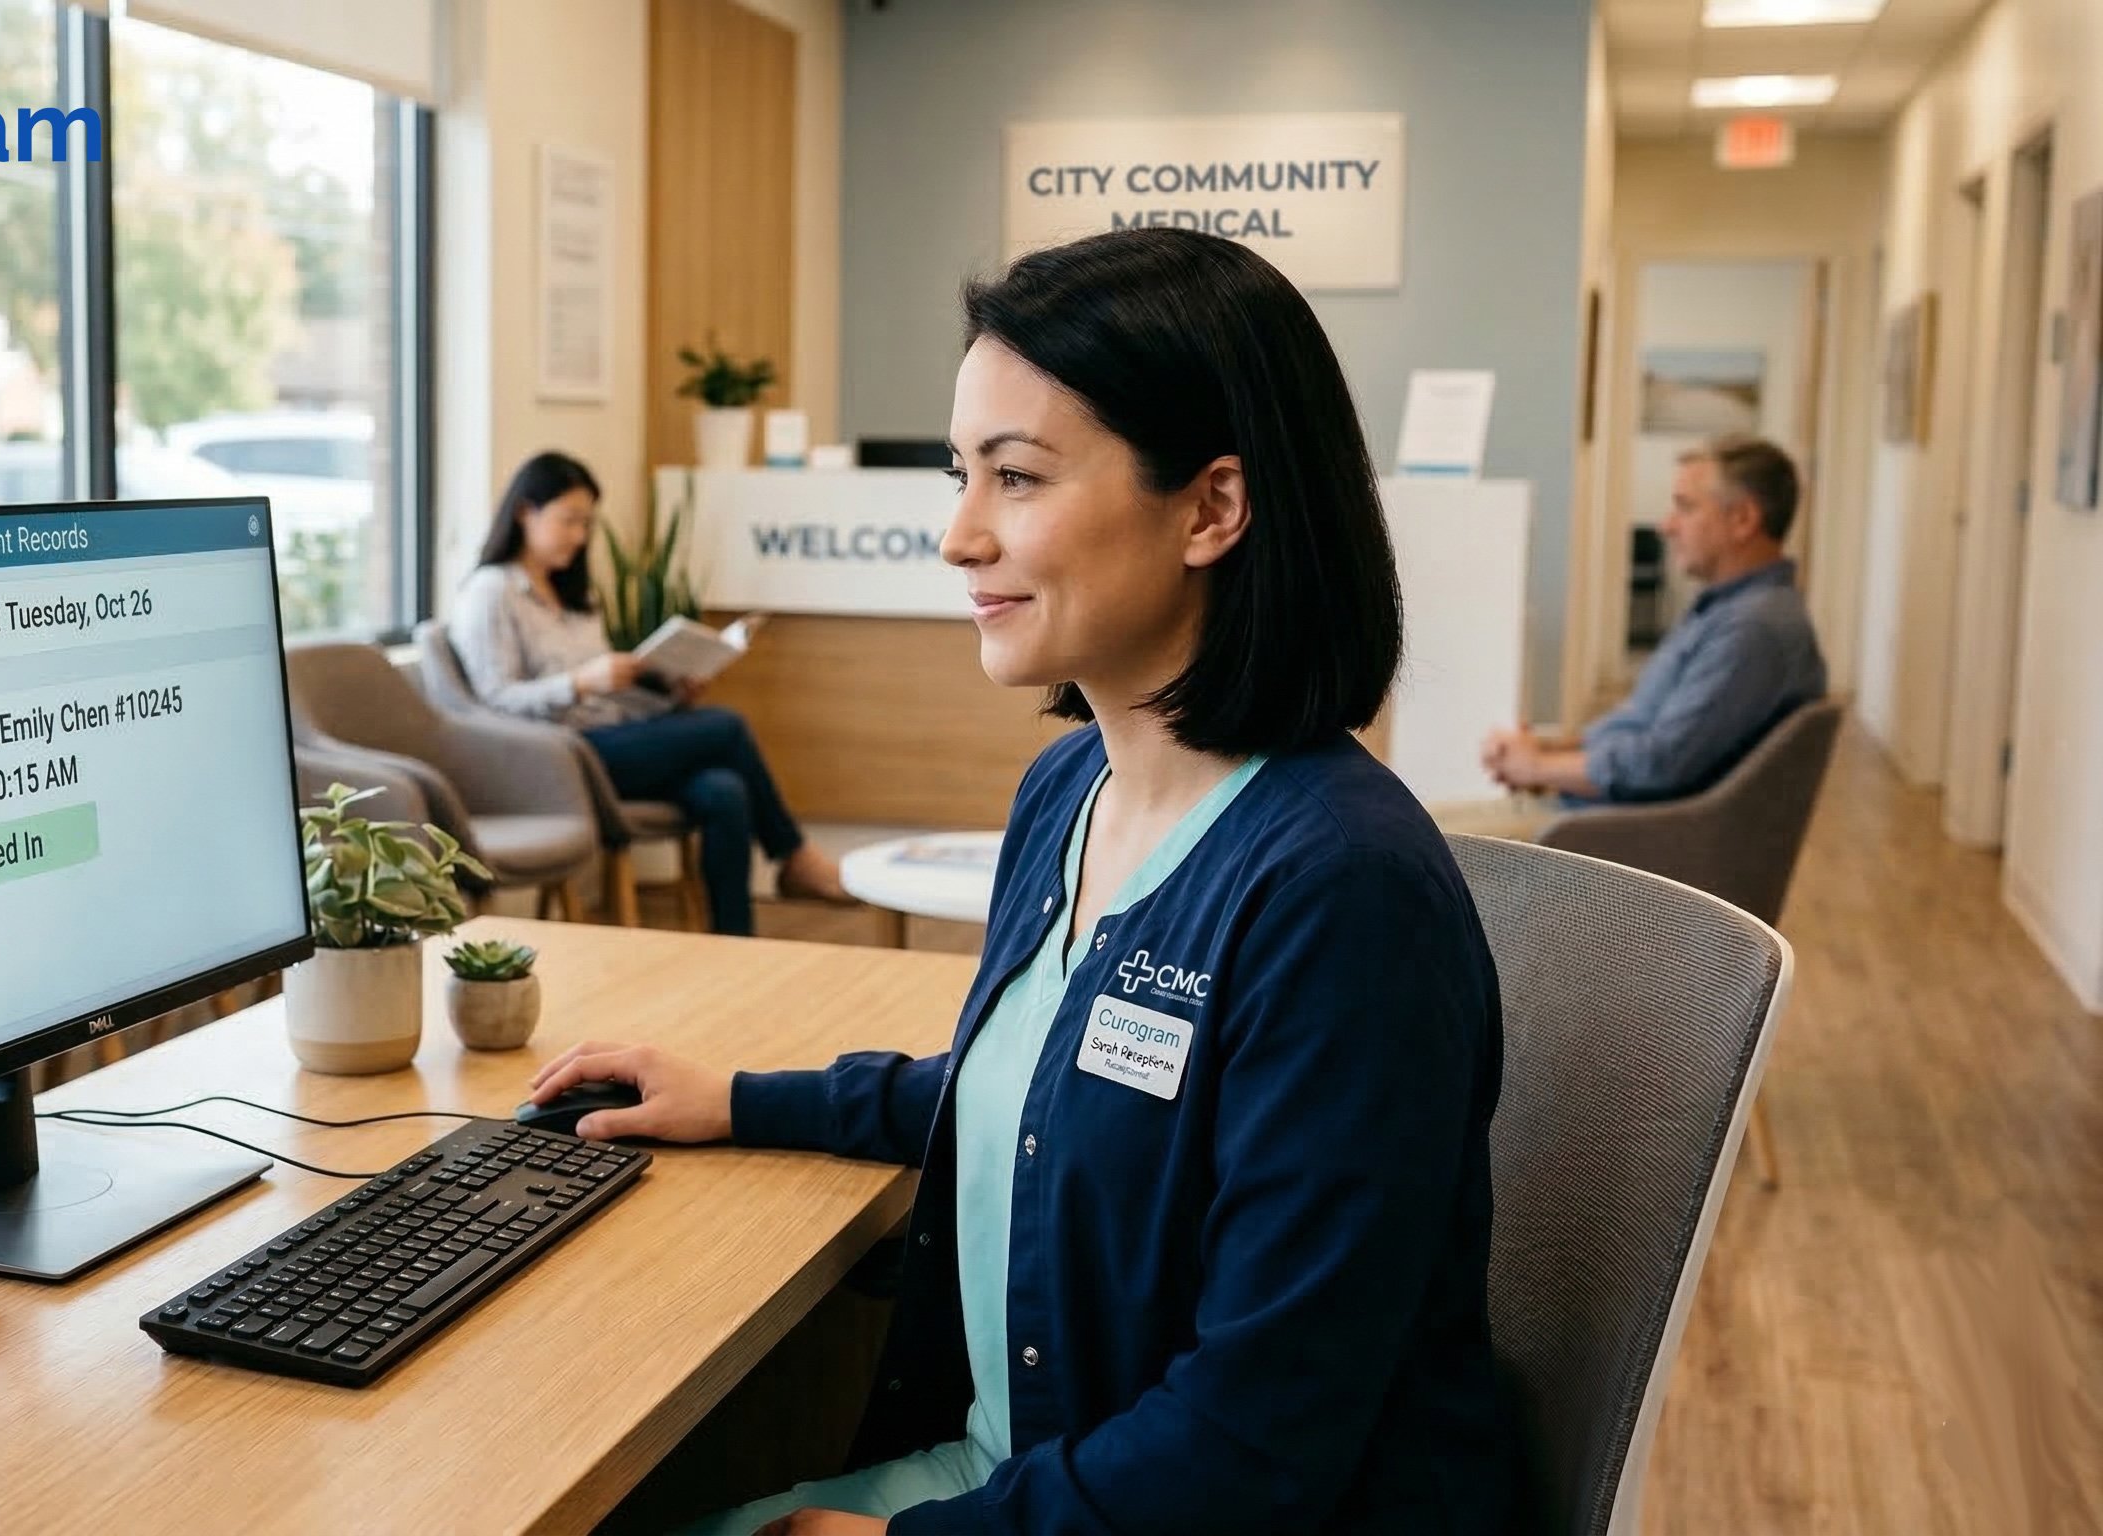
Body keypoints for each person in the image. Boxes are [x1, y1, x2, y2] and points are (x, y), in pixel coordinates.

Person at [525, 227, 1515, 1535]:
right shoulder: (1067, 793)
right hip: (1026, 1479)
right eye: (961, 476)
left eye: (1016, 477)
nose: (959, 536)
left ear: (1212, 508)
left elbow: (1258, 1443)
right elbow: (1051, 1087)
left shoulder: (1340, 892)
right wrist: (740, 1099)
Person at [445, 451, 851, 936]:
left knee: (724, 790)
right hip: (561, 757)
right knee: (726, 726)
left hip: (614, 740)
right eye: (568, 520)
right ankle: (793, 856)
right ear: (523, 512)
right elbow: (493, 700)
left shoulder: (574, 593)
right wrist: (579, 682)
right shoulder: (491, 592)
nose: (579, 536)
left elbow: (606, 697)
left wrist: (669, 693)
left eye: (586, 523)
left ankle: (735, 941)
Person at [1480, 435, 1827, 807]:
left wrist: (1539, 768)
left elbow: (1659, 763)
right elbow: (1642, 727)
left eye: (1685, 507)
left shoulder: (1753, 630)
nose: (1666, 526)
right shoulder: (1728, 611)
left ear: (1742, 519)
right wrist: (1547, 753)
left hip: (1622, 831)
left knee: (1446, 826)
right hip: (1604, 817)